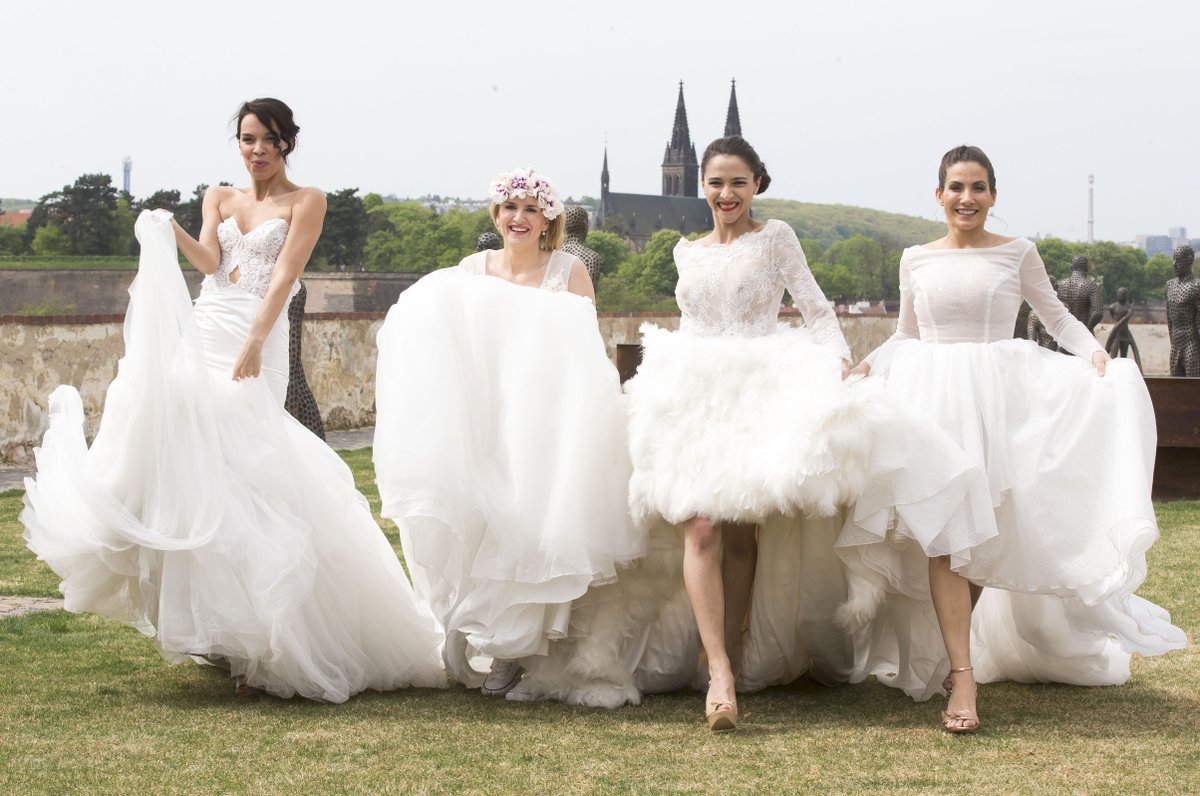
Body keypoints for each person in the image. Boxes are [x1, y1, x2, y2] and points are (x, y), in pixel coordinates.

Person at [22, 98, 446, 702]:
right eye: (248, 139)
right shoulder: (219, 197)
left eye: (269, 139)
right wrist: (166, 231)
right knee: (190, 459)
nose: (258, 149)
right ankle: (228, 633)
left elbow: (284, 275)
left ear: (287, 144)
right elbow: (212, 262)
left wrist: (254, 342)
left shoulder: (307, 201)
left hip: (256, 336)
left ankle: (266, 643)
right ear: (238, 143)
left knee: (250, 467)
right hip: (206, 324)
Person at [621, 136, 978, 731]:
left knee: (739, 535)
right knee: (701, 525)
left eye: (738, 182)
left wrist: (839, 364)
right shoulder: (686, 250)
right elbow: (690, 322)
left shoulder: (777, 236)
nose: (725, 193)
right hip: (693, 392)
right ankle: (720, 674)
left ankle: (733, 648)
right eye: (715, 182)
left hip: (757, 387)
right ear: (701, 186)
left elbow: (814, 308)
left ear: (757, 183)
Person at [843, 145, 1186, 732]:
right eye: (955, 187)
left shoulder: (1017, 252)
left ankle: (958, 659)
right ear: (939, 194)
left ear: (993, 195)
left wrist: (1096, 355)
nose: (966, 198)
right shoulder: (915, 258)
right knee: (947, 537)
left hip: (997, 402)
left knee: (977, 537)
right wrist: (865, 368)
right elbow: (906, 334)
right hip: (930, 403)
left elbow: (1054, 317)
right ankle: (963, 679)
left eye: (978, 188)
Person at [373, 168, 644, 697]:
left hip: (542, 417)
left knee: (528, 523)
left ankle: (513, 648)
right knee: (480, 520)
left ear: (548, 220)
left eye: (531, 209)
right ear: (497, 216)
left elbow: (585, 351)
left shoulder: (569, 271)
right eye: (510, 208)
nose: (519, 217)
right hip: (484, 412)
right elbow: (442, 335)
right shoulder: (471, 270)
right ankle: (483, 637)